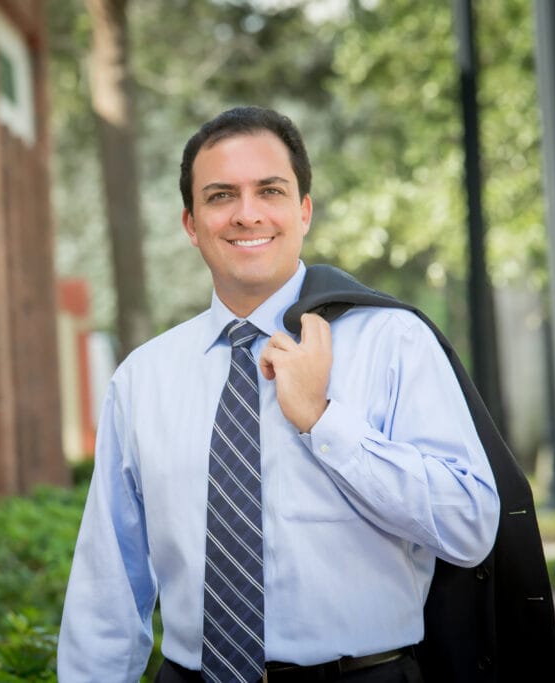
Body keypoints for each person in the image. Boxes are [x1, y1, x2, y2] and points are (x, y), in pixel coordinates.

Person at [57, 106, 500, 682]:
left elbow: (470, 526)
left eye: (269, 190)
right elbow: (108, 582)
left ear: (303, 210)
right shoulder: (143, 378)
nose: (247, 214)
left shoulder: (395, 342)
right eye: (220, 196)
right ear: (191, 224)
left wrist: (322, 421)